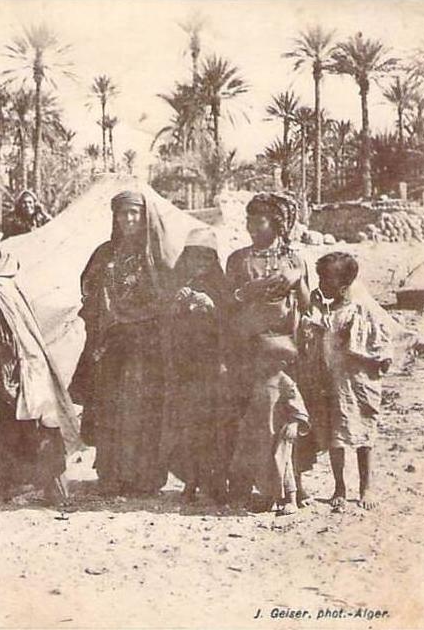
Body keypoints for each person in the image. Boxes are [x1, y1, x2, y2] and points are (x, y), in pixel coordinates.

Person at [0, 214, 80, 507]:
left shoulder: (6, 272)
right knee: (2, 424)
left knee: (36, 419)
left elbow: (22, 321)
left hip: (19, 359)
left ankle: (53, 485)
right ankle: (6, 484)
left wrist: (12, 354)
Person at [71, 190, 177, 497]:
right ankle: (111, 475)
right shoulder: (106, 253)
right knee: (110, 407)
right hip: (111, 344)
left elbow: (169, 295)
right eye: (122, 213)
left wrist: (138, 314)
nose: (128, 219)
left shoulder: (155, 254)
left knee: (143, 409)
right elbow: (88, 289)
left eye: (134, 213)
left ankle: (144, 478)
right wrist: (101, 306)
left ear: (145, 217)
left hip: (146, 346)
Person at [224, 191, 311, 505]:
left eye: (258, 221)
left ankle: (287, 484)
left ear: (276, 224)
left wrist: (297, 279)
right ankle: (247, 484)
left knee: (282, 416)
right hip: (247, 347)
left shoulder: (294, 259)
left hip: (283, 349)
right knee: (249, 416)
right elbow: (227, 302)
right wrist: (248, 291)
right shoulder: (238, 259)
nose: (251, 227)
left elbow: (306, 305)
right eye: (248, 220)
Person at [299, 252, 393, 513]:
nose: (320, 285)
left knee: (363, 433)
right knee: (335, 436)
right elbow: (312, 330)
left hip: (358, 383)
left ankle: (366, 486)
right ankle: (339, 486)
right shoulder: (323, 309)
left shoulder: (361, 310)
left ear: (343, 286)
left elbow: (381, 343)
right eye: (319, 279)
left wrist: (378, 360)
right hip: (331, 381)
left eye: (325, 280)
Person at [160, 228, 228, 503]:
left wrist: (213, 307)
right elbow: (164, 326)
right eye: (195, 257)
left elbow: (232, 325)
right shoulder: (176, 285)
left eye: (206, 258)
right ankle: (190, 481)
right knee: (187, 427)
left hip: (212, 369)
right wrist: (176, 306)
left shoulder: (222, 288)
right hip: (185, 369)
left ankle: (215, 483)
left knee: (214, 427)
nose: (200, 264)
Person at [229, 334, 310, 515]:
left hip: (279, 432)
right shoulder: (259, 379)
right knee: (263, 464)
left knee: (282, 464)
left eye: (266, 358)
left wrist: (294, 424)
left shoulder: (284, 382)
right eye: (261, 358)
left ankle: (291, 500)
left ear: (281, 363)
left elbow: (297, 405)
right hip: (261, 431)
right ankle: (269, 498)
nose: (261, 362)